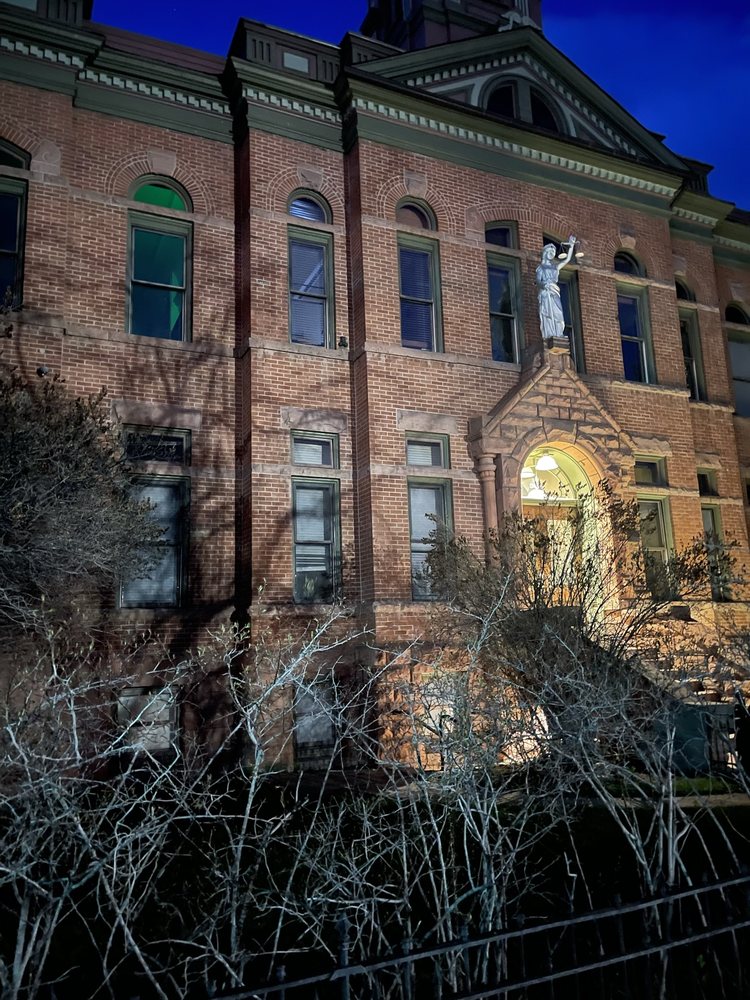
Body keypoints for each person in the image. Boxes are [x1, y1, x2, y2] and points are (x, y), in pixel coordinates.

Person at [536, 236, 577, 340]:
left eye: (553, 253)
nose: (552, 254)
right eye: (550, 252)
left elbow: (567, 259)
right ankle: (550, 334)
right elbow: (538, 281)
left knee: (558, 313)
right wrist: (544, 285)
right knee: (547, 313)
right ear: (545, 253)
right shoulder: (541, 268)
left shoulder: (555, 267)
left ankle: (558, 333)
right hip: (546, 292)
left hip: (554, 291)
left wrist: (571, 246)